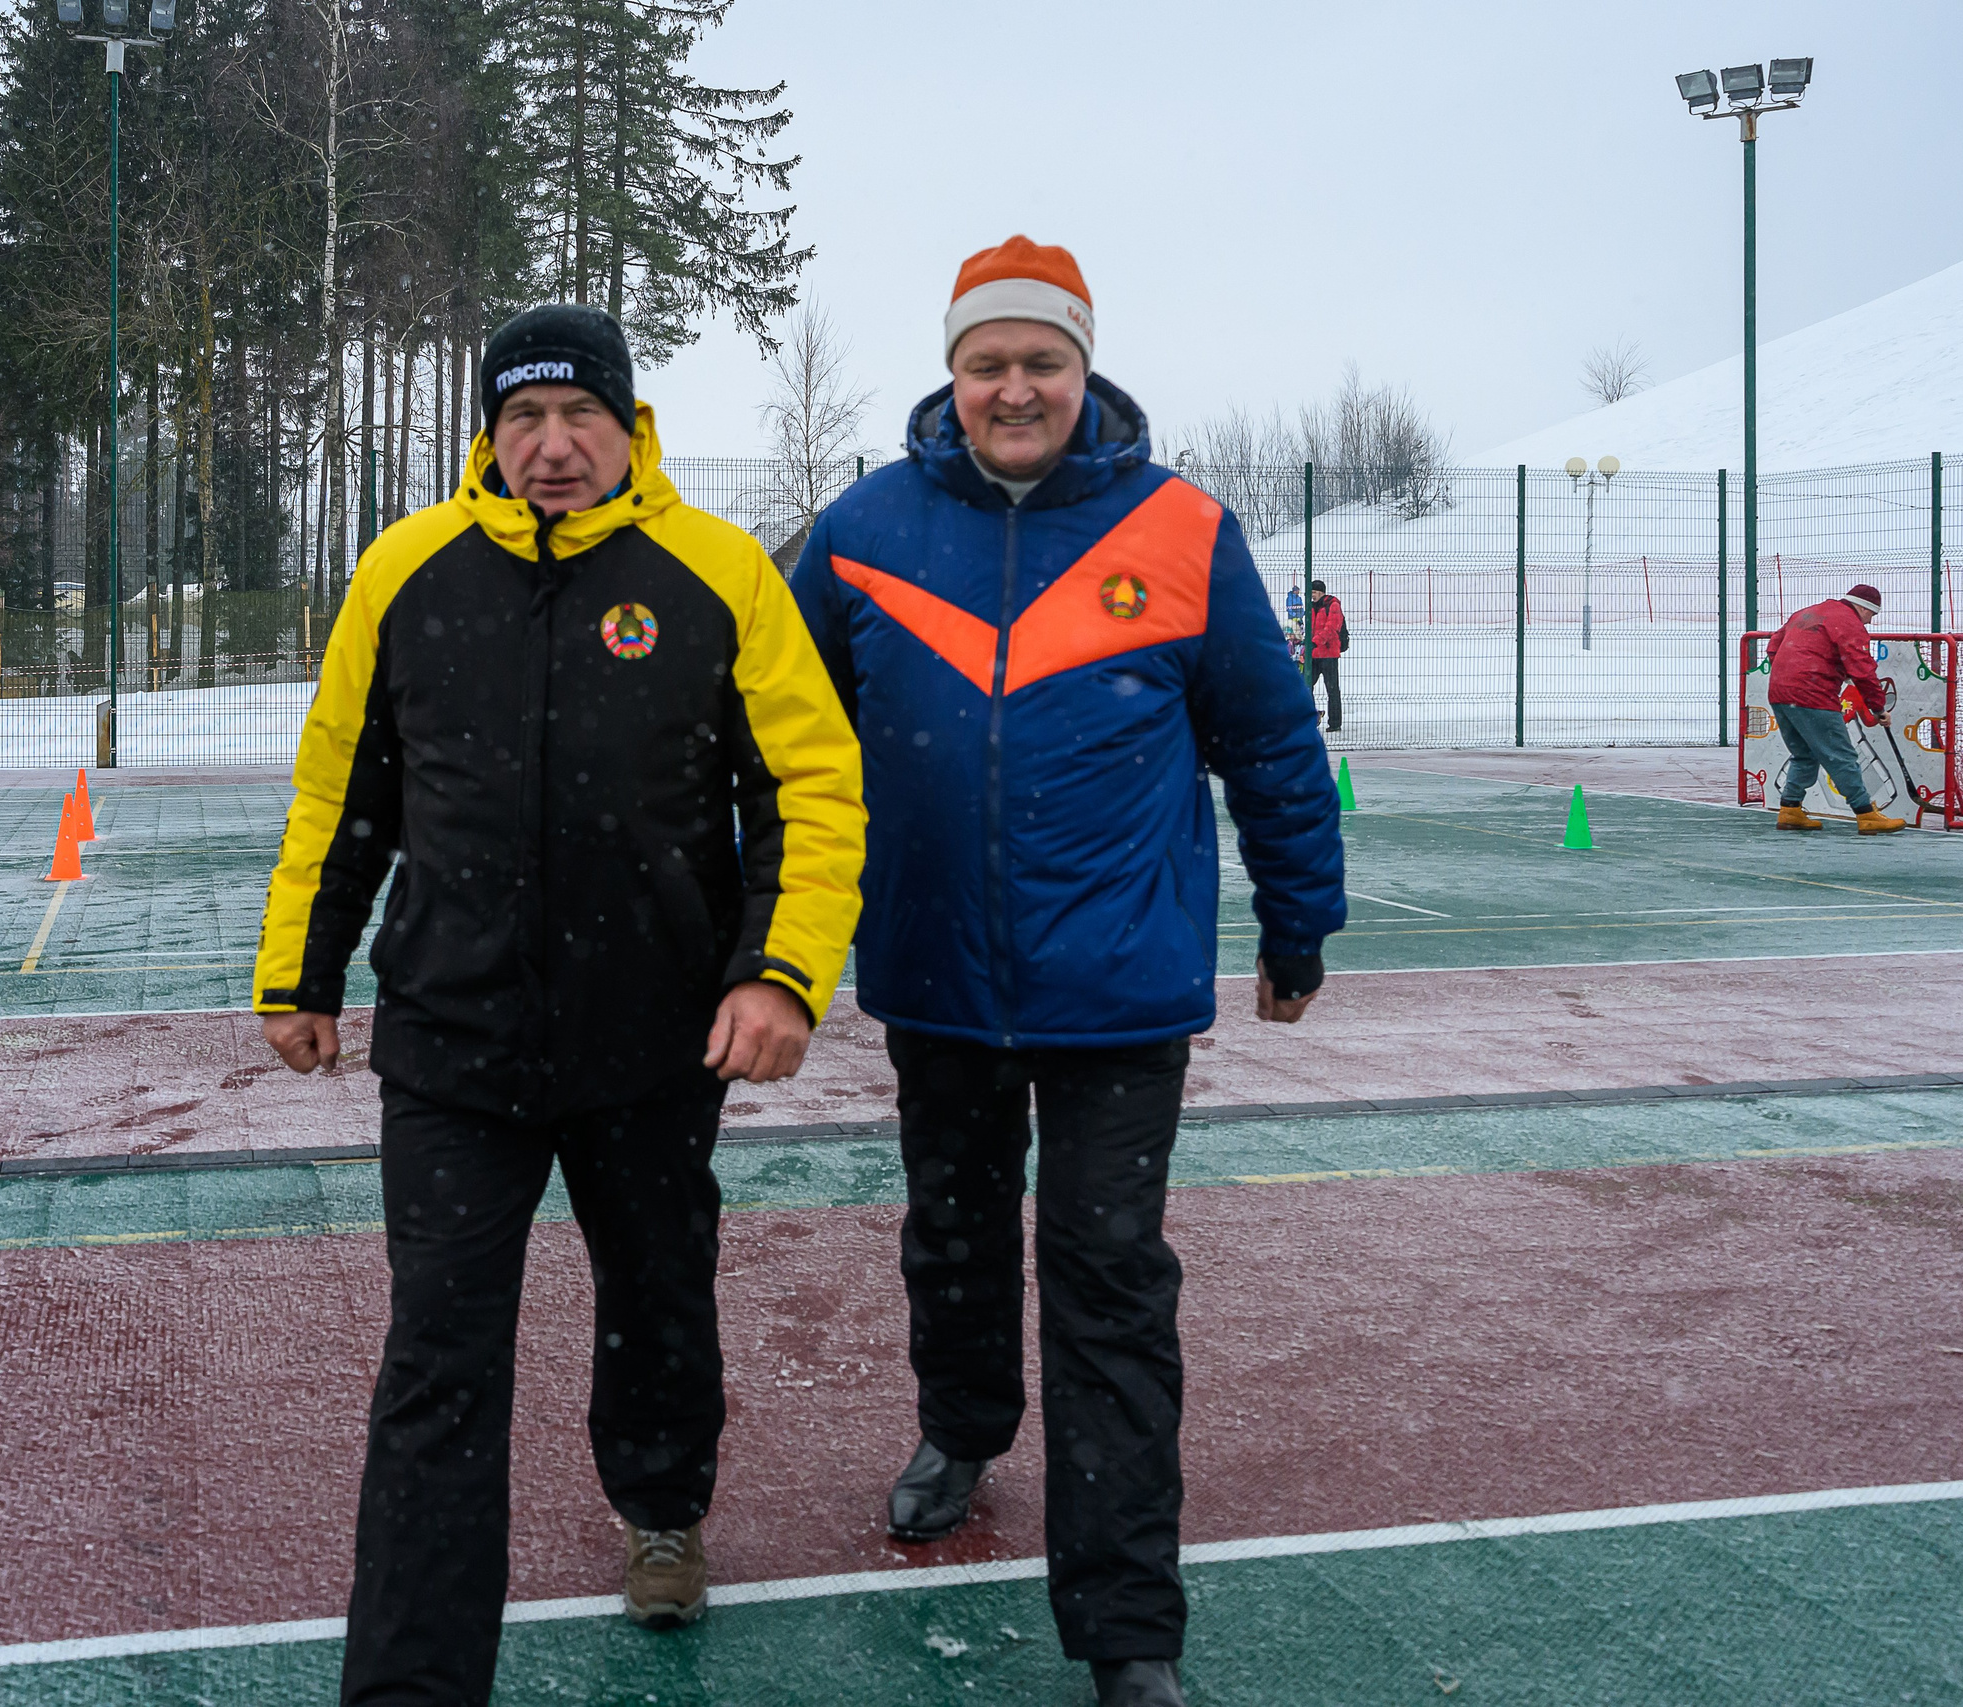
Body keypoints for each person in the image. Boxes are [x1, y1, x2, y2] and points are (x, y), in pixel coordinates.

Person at [252, 304, 867, 1705]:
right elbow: (341, 790)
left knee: (657, 1295)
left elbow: (811, 790)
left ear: (626, 423)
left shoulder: (714, 573)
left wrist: (779, 972)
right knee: (437, 1359)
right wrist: (303, 966)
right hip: (453, 1043)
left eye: (576, 415)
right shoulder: (408, 571)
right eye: (522, 418)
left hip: (655, 1041)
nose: (551, 445)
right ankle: (410, 1681)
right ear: (490, 432)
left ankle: (662, 1501)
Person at [791, 237, 1345, 1707]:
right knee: (955, 1237)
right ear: (952, 376)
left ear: (1084, 371)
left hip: (1122, 989)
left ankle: (1127, 1632)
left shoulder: (1185, 531)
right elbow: (769, 745)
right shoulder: (857, 534)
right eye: (989, 363)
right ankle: (961, 1425)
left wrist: (1300, 920)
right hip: (935, 978)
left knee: (1109, 1283)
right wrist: (749, 943)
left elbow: (1270, 742)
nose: (1015, 388)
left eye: (1042, 361)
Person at [1766, 580, 1905, 834]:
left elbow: (1773, 646)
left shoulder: (1807, 612)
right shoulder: (1849, 623)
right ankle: (1865, 813)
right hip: (1813, 695)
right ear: (1863, 608)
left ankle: (1790, 809)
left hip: (1779, 692)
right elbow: (1863, 670)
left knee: (1805, 753)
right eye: (1871, 614)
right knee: (1841, 755)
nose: (1870, 622)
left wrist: (1797, 672)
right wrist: (1879, 708)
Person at [1305, 579, 1350, 732]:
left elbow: (1332, 628)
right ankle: (1310, 717)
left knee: (1332, 689)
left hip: (1329, 654)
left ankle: (1335, 723)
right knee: (1306, 685)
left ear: (1322, 592)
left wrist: (1315, 641)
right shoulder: (1310, 607)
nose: (1313, 596)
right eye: (1311, 593)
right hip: (1314, 653)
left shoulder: (1333, 605)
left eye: (1315, 592)